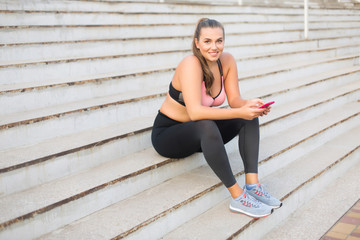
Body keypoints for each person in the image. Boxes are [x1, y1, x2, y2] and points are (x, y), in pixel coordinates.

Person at [151, 18, 282, 218]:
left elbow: (235, 100)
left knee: (248, 118)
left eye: (219, 41)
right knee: (206, 124)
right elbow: (195, 112)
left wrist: (250, 106)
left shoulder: (227, 61)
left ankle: (253, 186)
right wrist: (239, 111)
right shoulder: (190, 64)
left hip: (200, 134)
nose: (214, 47)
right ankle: (238, 197)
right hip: (169, 134)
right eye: (207, 41)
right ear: (197, 43)